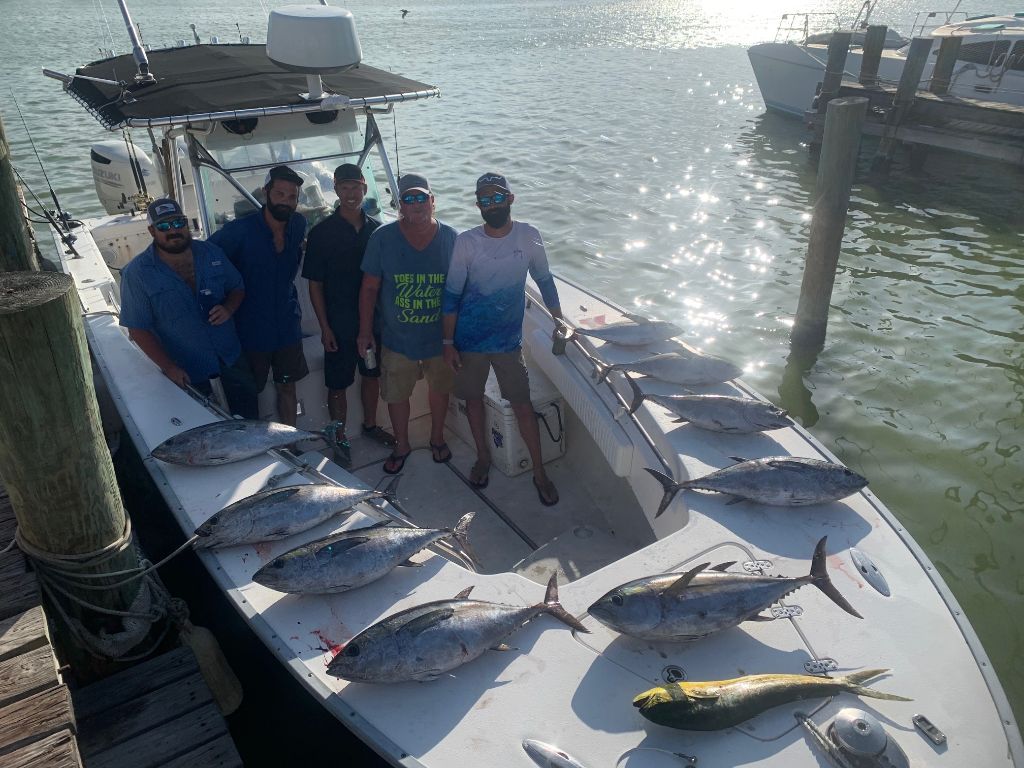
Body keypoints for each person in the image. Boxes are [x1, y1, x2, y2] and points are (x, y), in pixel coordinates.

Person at [442, 173, 562, 506]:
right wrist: (448, 343)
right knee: (474, 399)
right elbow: (451, 295)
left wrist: (560, 320)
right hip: (469, 340)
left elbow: (545, 280)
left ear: (511, 199)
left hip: (508, 342)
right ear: (478, 204)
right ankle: (482, 456)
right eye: (484, 199)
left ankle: (539, 471)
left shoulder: (529, 235)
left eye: (497, 197)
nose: (491, 204)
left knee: (522, 404)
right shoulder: (466, 242)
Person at [357, 173, 458, 474]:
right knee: (397, 393)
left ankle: (437, 437)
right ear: (400, 205)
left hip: (441, 339)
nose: (416, 204)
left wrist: (456, 337)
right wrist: (364, 332)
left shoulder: (451, 237)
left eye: (421, 198)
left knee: (440, 388)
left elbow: (461, 290)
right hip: (397, 338)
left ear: (432, 201)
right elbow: (369, 288)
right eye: (408, 199)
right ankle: (402, 444)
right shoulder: (382, 238)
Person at [120, 198, 257, 418]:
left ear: (186, 223)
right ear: (152, 231)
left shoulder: (211, 252)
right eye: (164, 226)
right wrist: (169, 367)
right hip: (187, 371)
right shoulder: (137, 274)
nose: (173, 230)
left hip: (231, 359)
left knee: (250, 419)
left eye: (178, 222)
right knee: (206, 433)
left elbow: (237, 287)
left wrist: (229, 308)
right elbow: (138, 329)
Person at [304, 163, 395, 466]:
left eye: (356, 187)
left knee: (372, 375)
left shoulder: (377, 231)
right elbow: (315, 285)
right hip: (339, 324)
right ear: (336, 191)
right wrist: (325, 328)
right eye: (344, 188)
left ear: (364, 189)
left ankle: (370, 425)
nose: (351, 193)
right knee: (337, 384)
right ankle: (338, 437)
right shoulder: (321, 233)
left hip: (373, 323)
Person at [209, 165, 309, 426]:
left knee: (288, 387)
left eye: (292, 196)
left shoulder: (298, 224)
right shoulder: (237, 231)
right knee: (249, 391)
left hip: (287, 325)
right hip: (250, 328)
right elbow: (207, 258)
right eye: (279, 194)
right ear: (266, 193)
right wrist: (225, 304)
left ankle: (291, 443)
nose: (285, 201)